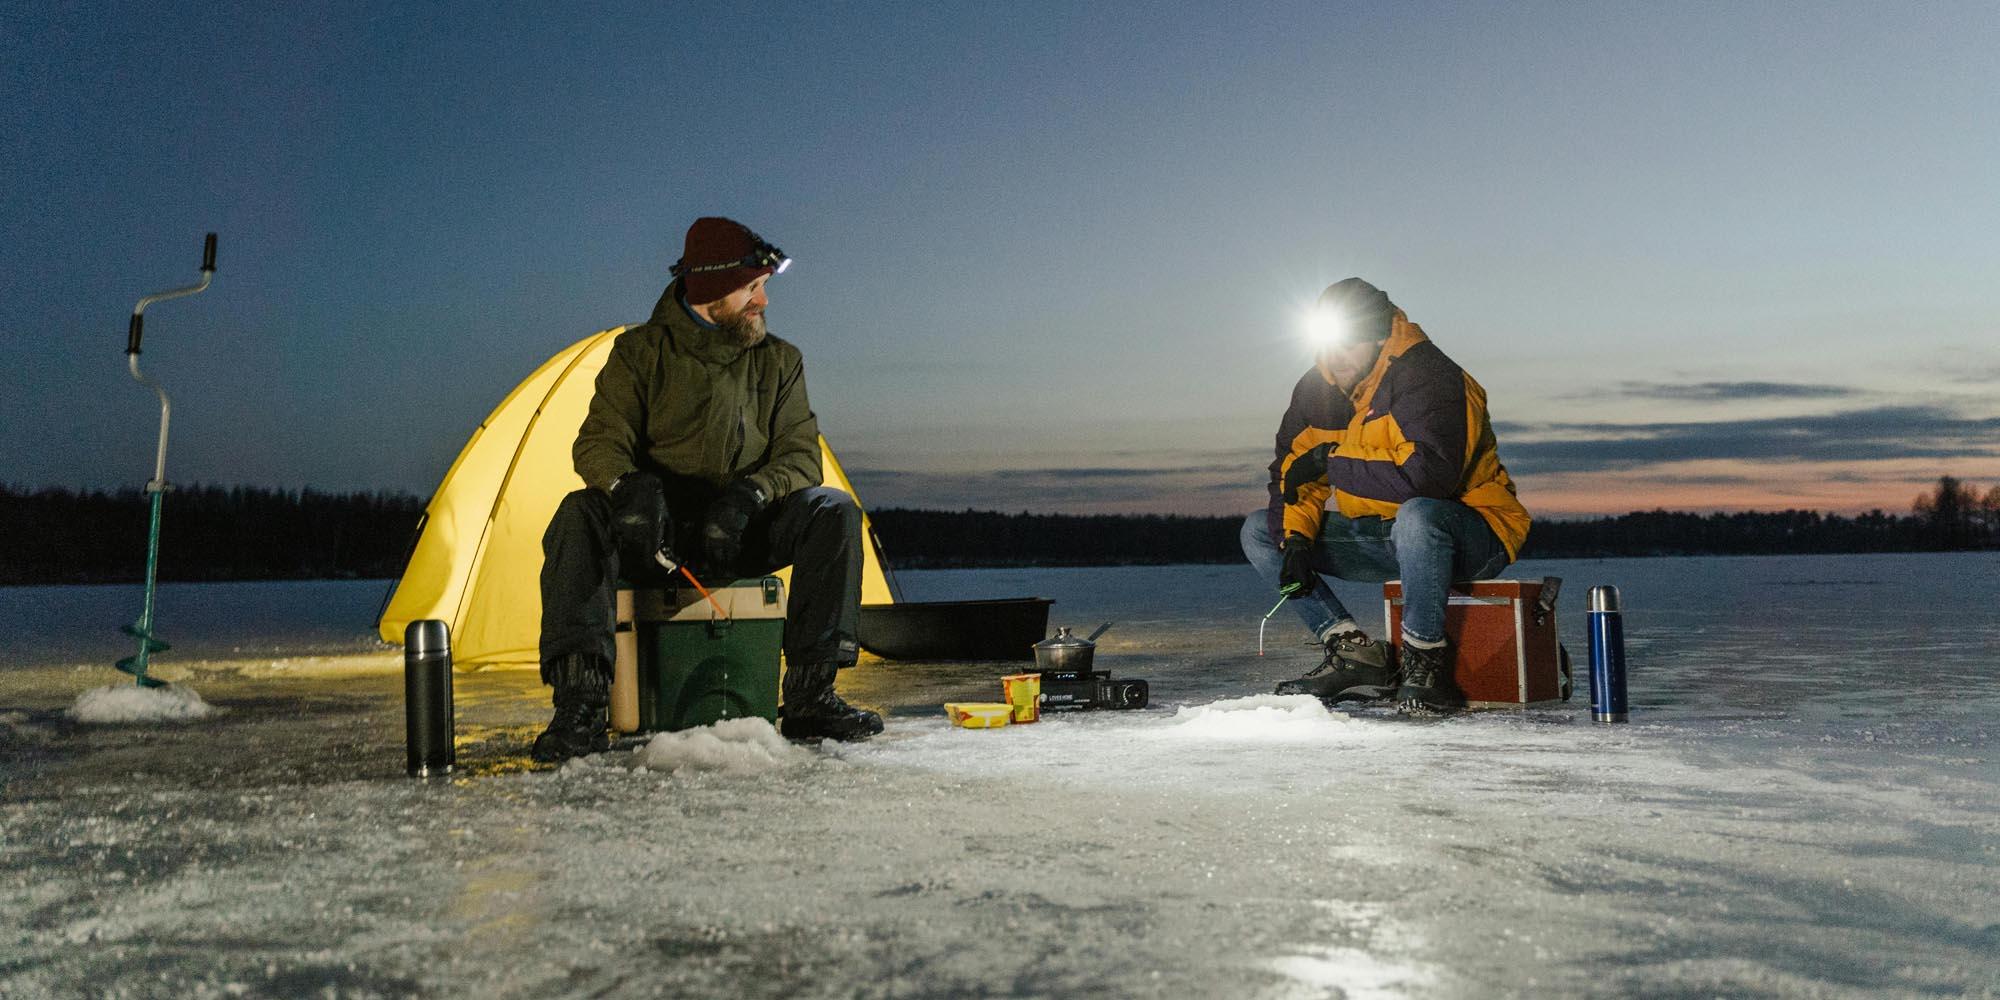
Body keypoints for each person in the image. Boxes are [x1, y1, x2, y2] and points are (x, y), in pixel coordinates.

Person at [532, 217, 883, 762]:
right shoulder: (639, 354)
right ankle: (580, 706)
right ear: (713, 289)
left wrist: (752, 496)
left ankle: (813, 695)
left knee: (832, 510)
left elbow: (800, 455)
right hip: (657, 538)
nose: (763, 302)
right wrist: (628, 488)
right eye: (752, 288)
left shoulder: (779, 361)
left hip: (741, 529)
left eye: (764, 286)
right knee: (579, 514)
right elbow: (598, 442)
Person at [1240, 278, 1530, 714]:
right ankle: (1355, 653)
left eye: (1349, 344)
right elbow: (1294, 474)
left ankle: (1423, 663)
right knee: (1260, 531)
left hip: (1471, 532)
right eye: (1328, 345)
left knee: (1417, 516)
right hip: (1384, 537)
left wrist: (1331, 461)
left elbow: (1427, 480)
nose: (1335, 359)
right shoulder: (1316, 391)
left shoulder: (1428, 375)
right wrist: (1296, 541)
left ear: (1379, 336)